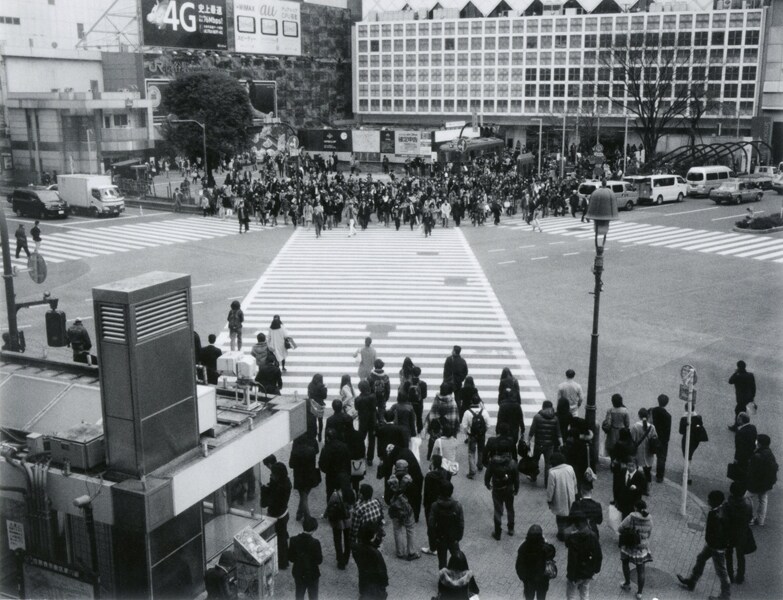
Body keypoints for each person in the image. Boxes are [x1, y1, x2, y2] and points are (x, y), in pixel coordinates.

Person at [677, 490, 732, 600]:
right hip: (714, 545)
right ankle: (692, 581)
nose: (708, 501)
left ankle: (725, 596)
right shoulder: (722, 510)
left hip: (716, 547)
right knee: (701, 558)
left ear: (715, 502)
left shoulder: (715, 514)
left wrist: (714, 544)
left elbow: (716, 532)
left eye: (710, 500)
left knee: (721, 572)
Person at [386, 459, 420, 561]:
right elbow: (415, 496)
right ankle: (411, 552)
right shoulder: (409, 481)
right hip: (407, 509)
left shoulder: (391, 481)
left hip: (395, 509)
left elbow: (387, 497)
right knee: (410, 529)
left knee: (397, 529)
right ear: (406, 468)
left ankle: (400, 552)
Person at [619, 499, 653, 599]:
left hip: (629, 546)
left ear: (635, 507)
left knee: (625, 563)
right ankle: (639, 593)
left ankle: (627, 583)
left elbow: (620, 528)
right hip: (642, 548)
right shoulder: (649, 519)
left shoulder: (631, 517)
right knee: (641, 570)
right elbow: (649, 533)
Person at [564, 511, 603, 600]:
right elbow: (598, 555)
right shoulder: (593, 536)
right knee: (585, 593)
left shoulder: (573, 538)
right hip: (588, 572)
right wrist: (596, 570)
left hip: (575, 573)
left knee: (571, 595)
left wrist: (571, 575)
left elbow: (572, 559)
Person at [260, 463, 292, 570]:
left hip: (277, 516)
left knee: (280, 540)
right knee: (283, 537)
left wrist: (265, 490)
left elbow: (267, 502)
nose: (271, 475)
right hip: (283, 514)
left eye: (273, 474)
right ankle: (284, 560)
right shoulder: (285, 483)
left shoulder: (280, 488)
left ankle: (282, 561)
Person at [485, 447, 519, 540]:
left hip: (497, 489)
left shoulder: (493, 462)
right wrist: (516, 489)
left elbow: (487, 474)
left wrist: (487, 484)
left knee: (498, 510)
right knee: (510, 508)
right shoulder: (512, 463)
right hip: (508, 489)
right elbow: (516, 478)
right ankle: (511, 528)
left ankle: (498, 532)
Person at [724, 481, 754, 585]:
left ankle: (730, 575)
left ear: (731, 491)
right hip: (742, 532)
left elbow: (725, 518)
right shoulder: (748, 504)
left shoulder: (728, 503)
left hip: (729, 532)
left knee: (728, 553)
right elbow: (750, 518)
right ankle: (740, 576)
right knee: (740, 555)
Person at [516, 524, 556, 600]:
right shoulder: (545, 547)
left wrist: (524, 579)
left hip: (529, 582)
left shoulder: (523, 548)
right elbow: (552, 552)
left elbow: (519, 567)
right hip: (542, 581)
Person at [746, 433, 778, 526]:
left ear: (759, 443)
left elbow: (752, 470)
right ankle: (760, 520)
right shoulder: (769, 453)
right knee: (763, 499)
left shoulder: (758, 455)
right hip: (767, 482)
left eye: (757, 441)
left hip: (757, 482)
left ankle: (750, 518)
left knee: (746, 498)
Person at [528, 400, 562, 486]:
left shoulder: (537, 417)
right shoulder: (555, 418)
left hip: (538, 444)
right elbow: (558, 433)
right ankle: (547, 483)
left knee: (535, 461)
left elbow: (532, 431)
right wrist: (561, 443)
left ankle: (533, 477)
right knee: (548, 464)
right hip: (549, 445)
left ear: (543, 407)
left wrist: (528, 441)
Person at [288, 516, 322, 600]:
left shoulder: (293, 540)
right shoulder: (316, 543)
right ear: (314, 529)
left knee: (299, 595)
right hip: (312, 574)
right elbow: (319, 560)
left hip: (298, 572)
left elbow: (291, 558)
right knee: (313, 596)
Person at [352, 522, 388, 600]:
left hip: (364, 582)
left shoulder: (356, 548)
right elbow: (382, 573)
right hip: (375, 587)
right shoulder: (376, 553)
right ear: (372, 538)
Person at [289, 433, 320, 522]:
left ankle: (305, 515)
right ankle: (302, 514)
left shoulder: (295, 451)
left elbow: (291, 465)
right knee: (304, 495)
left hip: (299, 477)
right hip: (310, 475)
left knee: (303, 496)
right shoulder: (311, 450)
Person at [326, 475, 355, 570]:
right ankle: (346, 557)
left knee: (337, 539)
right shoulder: (352, 492)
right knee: (347, 539)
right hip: (348, 519)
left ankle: (340, 560)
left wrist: (326, 515)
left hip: (338, 520)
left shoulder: (336, 494)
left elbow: (330, 505)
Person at [547, 452, 577, 541]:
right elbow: (575, 481)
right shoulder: (570, 468)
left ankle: (561, 534)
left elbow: (550, 488)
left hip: (559, 497)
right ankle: (568, 533)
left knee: (560, 517)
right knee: (569, 515)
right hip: (570, 496)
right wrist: (575, 492)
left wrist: (549, 499)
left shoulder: (552, 472)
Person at [319, 428, 350, 505]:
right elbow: (348, 460)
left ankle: (330, 511)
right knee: (342, 493)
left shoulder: (326, 448)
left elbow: (322, 464)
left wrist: (327, 471)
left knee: (330, 493)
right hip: (343, 474)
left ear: (327, 437)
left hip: (331, 476)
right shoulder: (344, 446)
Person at [461, 394, 489, 478]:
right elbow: (488, 424)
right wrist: (483, 431)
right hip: (481, 435)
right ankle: (480, 465)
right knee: (481, 450)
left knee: (471, 452)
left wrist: (467, 434)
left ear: (471, 401)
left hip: (472, 435)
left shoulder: (467, 412)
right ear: (479, 402)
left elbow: (464, 425)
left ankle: (472, 471)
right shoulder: (484, 412)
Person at [630, 408, 659, 488]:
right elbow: (655, 437)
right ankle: (647, 488)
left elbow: (632, 439)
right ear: (647, 416)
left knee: (635, 470)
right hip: (649, 452)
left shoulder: (635, 426)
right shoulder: (652, 427)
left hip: (638, 452)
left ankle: (635, 486)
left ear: (639, 416)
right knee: (647, 472)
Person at [569, 472, 603, 539]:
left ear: (581, 491)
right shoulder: (597, 505)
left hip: (579, 533)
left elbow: (571, 520)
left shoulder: (576, 504)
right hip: (593, 532)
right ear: (591, 491)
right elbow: (599, 521)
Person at [680, 405, 708, 483]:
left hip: (687, 438)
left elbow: (681, 431)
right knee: (690, 455)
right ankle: (688, 471)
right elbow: (700, 425)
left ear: (686, 408)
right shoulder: (698, 417)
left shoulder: (684, 418)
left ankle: (688, 476)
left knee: (686, 456)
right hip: (695, 440)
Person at [355, 380, 379, 465]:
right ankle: (370, 459)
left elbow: (357, 408)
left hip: (362, 421)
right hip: (372, 420)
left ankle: (361, 454)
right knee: (371, 440)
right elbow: (374, 407)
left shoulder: (358, 399)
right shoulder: (373, 397)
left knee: (361, 438)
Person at [649, 394, 672, 483]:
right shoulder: (668, 416)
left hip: (651, 437)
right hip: (662, 440)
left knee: (648, 454)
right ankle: (659, 477)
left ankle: (647, 471)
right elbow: (667, 431)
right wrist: (665, 441)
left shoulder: (651, 410)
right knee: (661, 458)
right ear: (666, 403)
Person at [728, 360, 756, 430]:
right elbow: (753, 387)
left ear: (738, 367)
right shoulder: (750, 375)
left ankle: (737, 426)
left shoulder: (738, 376)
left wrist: (736, 372)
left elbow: (730, 381)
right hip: (748, 397)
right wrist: (752, 397)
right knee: (742, 410)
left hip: (741, 398)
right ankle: (740, 425)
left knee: (738, 411)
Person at [732, 412, 757, 483]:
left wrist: (736, 458)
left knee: (739, 471)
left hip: (742, 456)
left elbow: (739, 447)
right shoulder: (753, 427)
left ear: (741, 420)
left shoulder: (740, 432)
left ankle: (738, 485)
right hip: (750, 454)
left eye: (738, 419)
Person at [308, 374, 328, 442]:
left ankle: (314, 433)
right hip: (319, 404)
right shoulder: (322, 387)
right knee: (320, 420)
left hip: (313, 404)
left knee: (313, 420)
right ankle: (320, 435)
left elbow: (309, 395)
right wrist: (325, 388)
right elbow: (324, 396)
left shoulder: (310, 385)